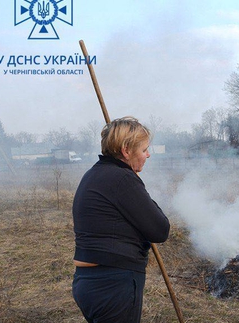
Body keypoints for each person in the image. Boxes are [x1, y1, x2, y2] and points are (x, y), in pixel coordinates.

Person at [72, 116, 170, 323]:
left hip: (88, 282)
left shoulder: (94, 174)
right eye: (144, 150)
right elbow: (160, 230)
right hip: (113, 284)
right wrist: (136, 184)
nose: (148, 155)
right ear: (126, 150)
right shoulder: (122, 179)